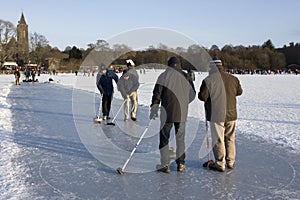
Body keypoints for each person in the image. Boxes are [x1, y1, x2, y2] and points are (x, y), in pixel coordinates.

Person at [150, 56, 196, 173]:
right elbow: (192, 94)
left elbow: (157, 94)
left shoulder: (164, 76)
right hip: (182, 113)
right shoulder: (186, 76)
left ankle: (165, 164)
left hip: (167, 113)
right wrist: (184, 103)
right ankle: (181, 163)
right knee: (180, 139)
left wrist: (154, 108)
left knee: (164, 138)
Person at [198, 57, 243, 172]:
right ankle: (230, 162)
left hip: (216, 114)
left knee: (218, 139)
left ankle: (220, 163)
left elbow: (202, 97)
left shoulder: (209, 80)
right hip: (231, 114)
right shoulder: (233, 78)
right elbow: (239, 92)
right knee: (230, 138)